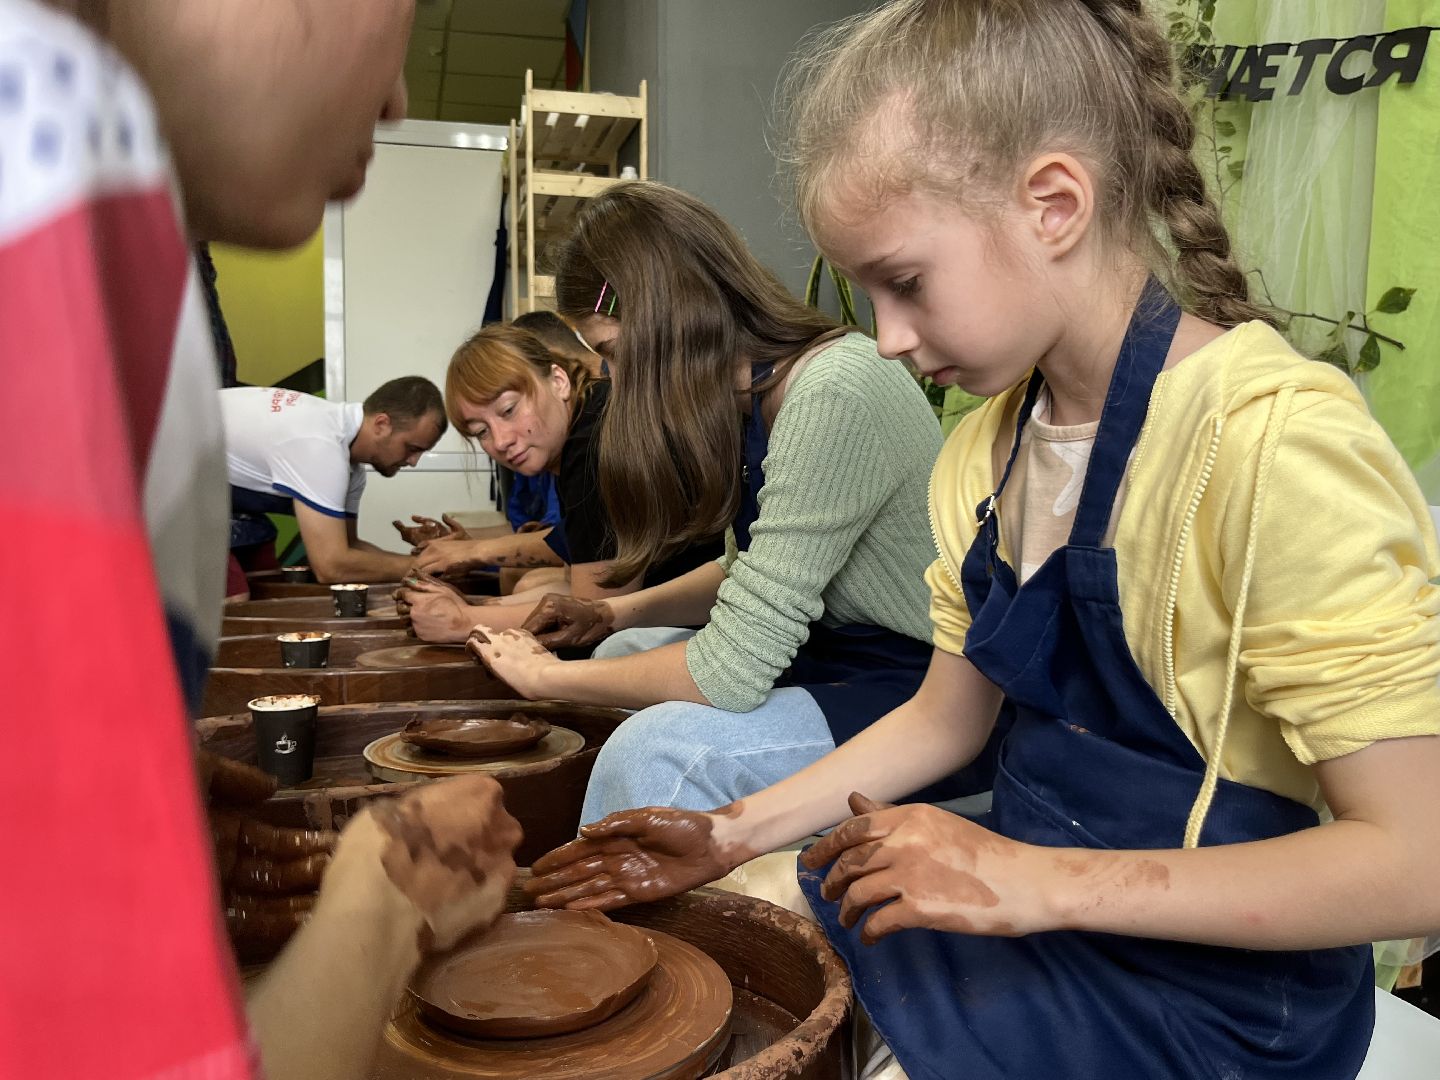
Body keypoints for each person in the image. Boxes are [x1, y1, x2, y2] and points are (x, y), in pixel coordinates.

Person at [520, 2, 1440, 1078]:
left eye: (905, 283)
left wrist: (1034, 882)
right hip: (1034, 901)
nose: (887, 338)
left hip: (1220, 1001)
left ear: (1054, 205)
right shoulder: (986, 453)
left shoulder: (1273, 446)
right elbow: (944, 718)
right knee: (739, 949)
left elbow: (1417, 862)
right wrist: (730, 831)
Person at [2, 3, 520, 1079]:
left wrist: (145, 797)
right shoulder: (37, 141)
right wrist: (384, 901)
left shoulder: (117, 201)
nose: (397, 98)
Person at [471, 182, 978, 826]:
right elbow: (743, 573)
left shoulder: (834, 390)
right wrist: (609, 613)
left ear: (668, 321)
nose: (616, 380)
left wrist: (547, 678)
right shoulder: (755, 402)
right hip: (831, 657)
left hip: (911, 689)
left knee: (656, 755)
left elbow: (728, 672)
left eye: (616, 354)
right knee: (620, 651)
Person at [397, 322, 724, 641]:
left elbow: (587, 619)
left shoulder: (595, 444)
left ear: (558, 381)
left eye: (509, 410)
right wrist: (468, 605)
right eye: (481, 431)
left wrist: (462, 620)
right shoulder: (580, 427)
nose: (501, 440)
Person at [223, 376, 446, 585]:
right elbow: (331, 567)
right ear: (381, 424)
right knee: (235, 597)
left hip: (219, 490)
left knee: (263, 583)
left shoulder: (351, 468)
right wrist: (431, 566)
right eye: (412, 448)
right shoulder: (320, 446)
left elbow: (349, 546)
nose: (414, 461)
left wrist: (429, 560)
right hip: (201, 474)